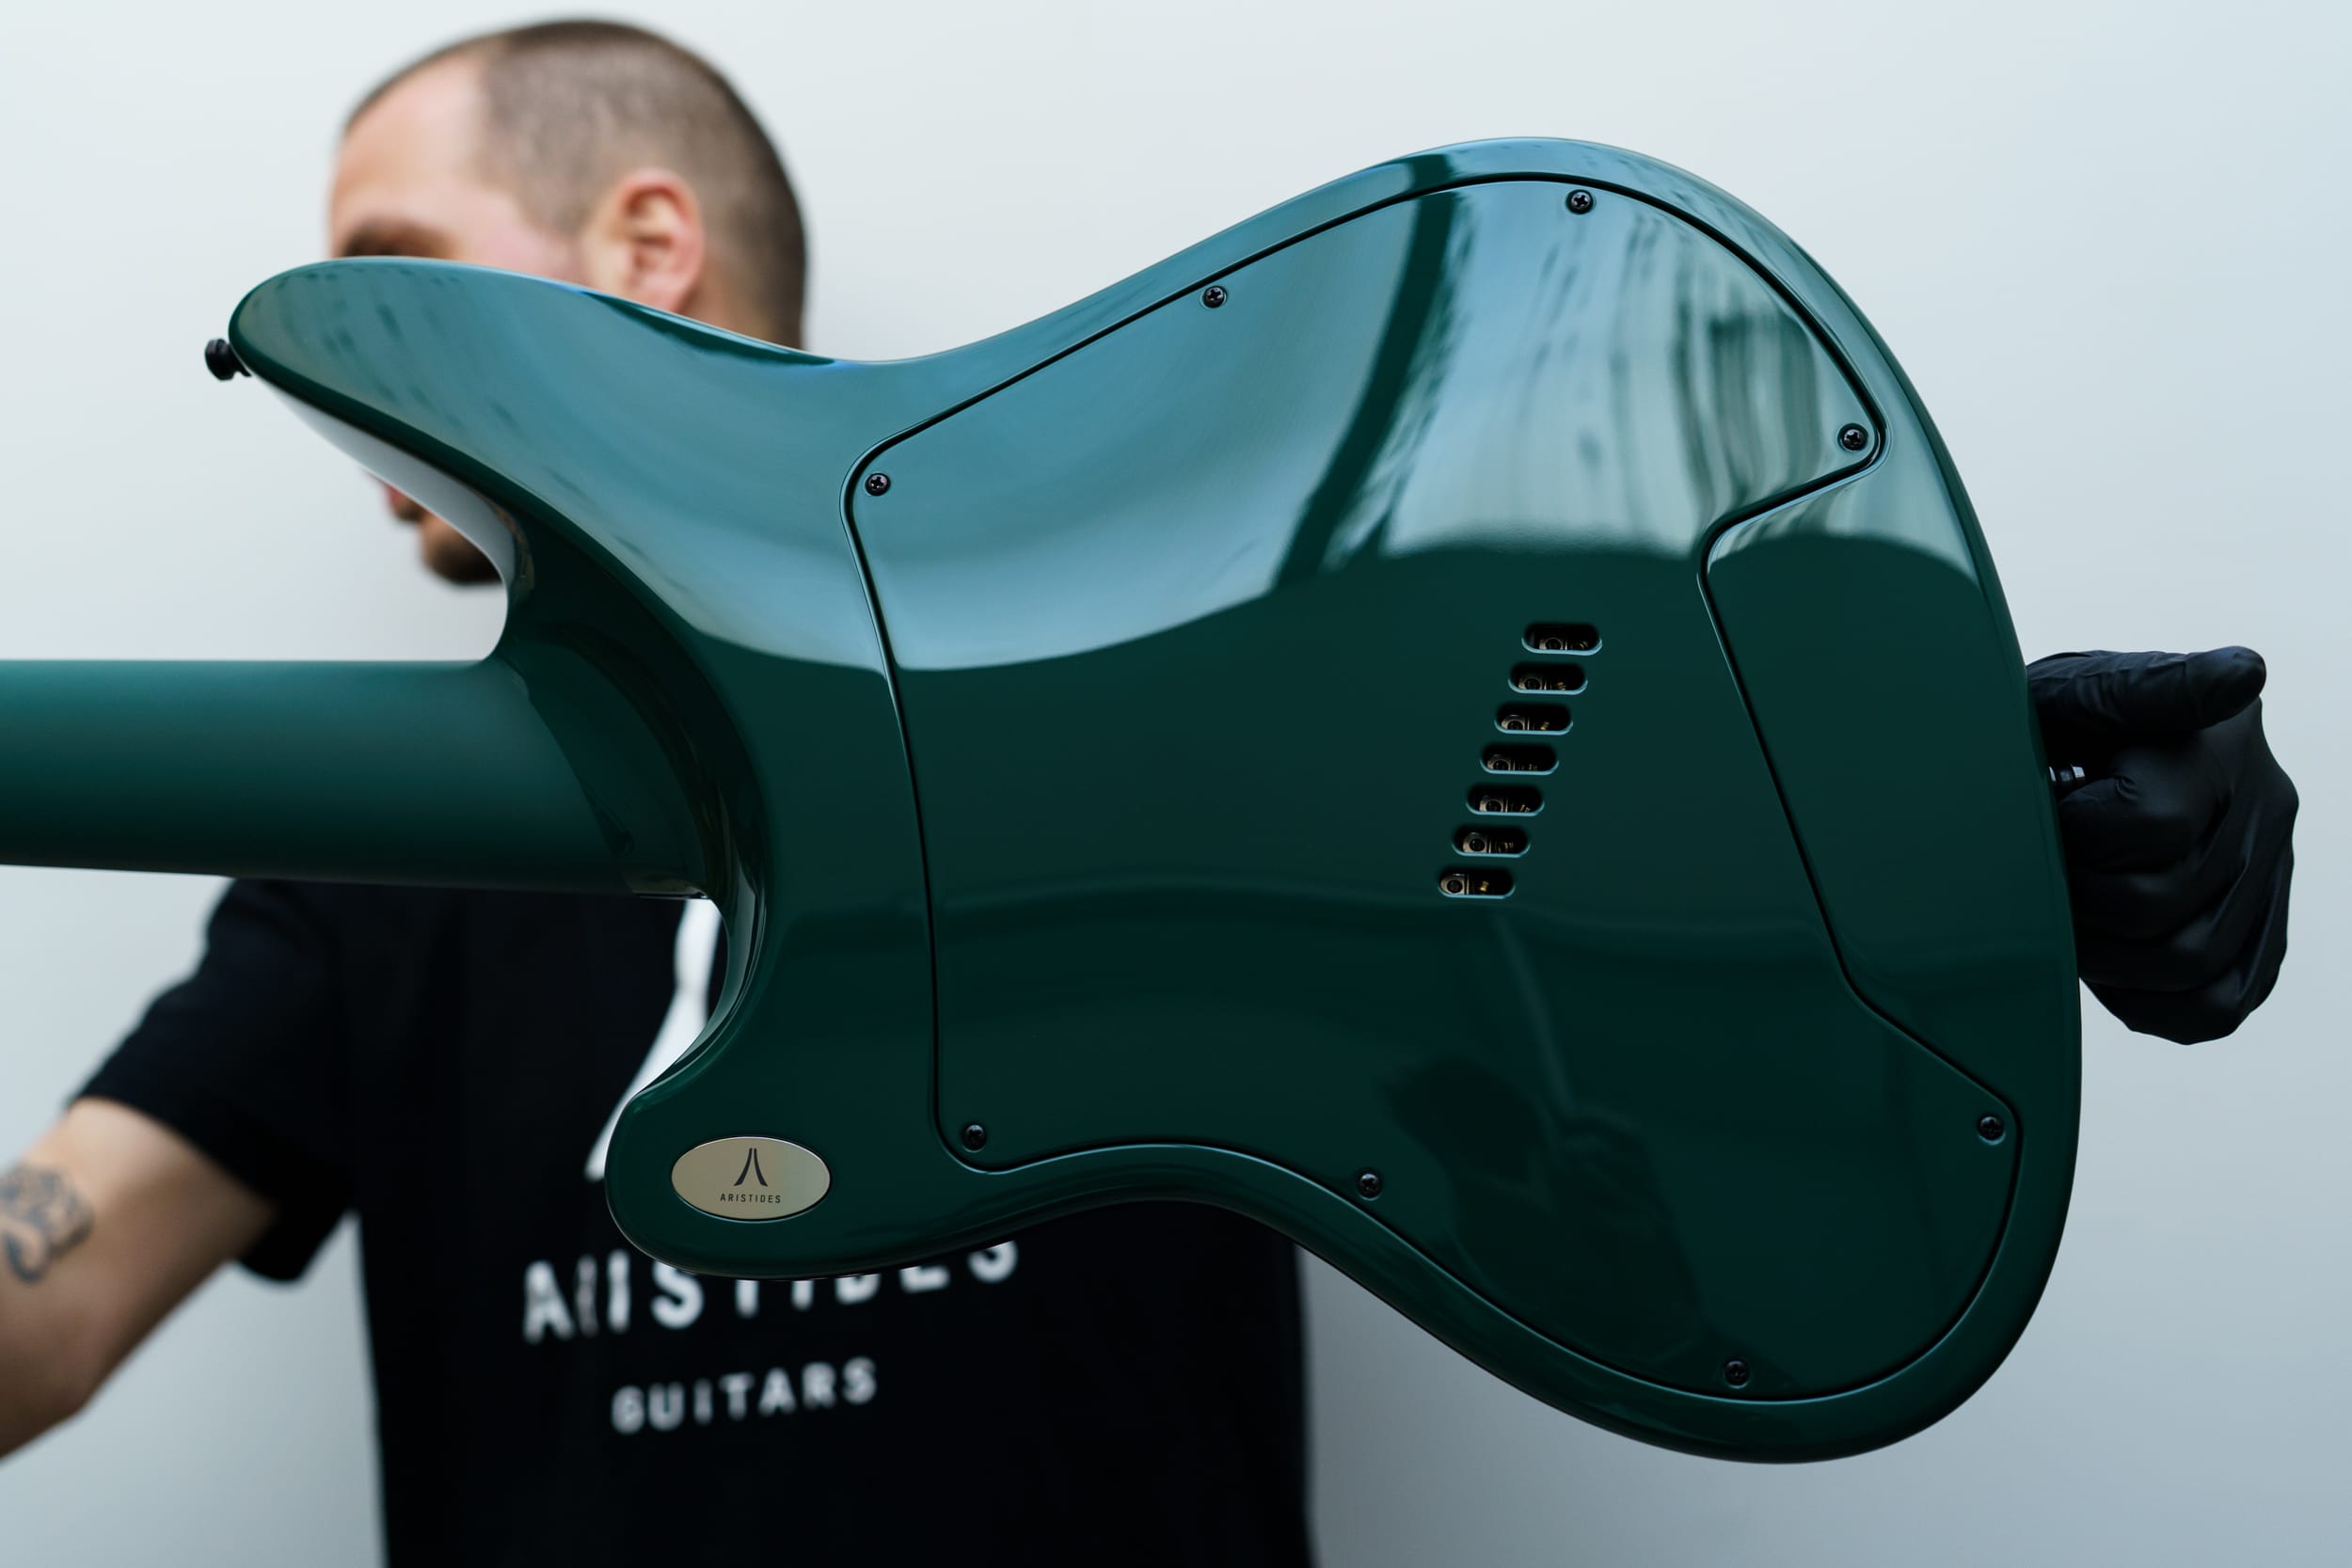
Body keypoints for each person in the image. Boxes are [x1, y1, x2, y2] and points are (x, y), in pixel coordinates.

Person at [0, 18, 2300, 1567]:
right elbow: (48, 1316)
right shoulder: (354, 882)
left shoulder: (1197, 666)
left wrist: (2017, 830)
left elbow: (1647, 894)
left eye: (388, 261)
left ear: (642, 248)